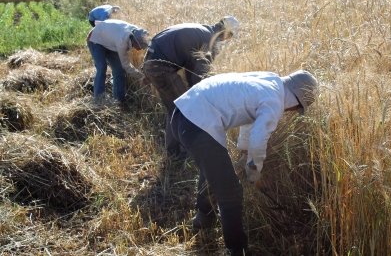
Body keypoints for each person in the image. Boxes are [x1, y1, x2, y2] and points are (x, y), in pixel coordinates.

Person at [170, 69, 318, 256]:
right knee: (231, 192)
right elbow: (259, 139)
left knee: (214, 171)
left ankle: (203, 218)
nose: (292, 112)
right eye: (297, 109)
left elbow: (250, 120)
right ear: (297, 100)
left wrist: (245, 151)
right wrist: (254, 172)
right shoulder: (275, 101)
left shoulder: (269, 81)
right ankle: (237, 249)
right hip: (196, 123)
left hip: (183, 113)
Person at [142, 16, 240, 159]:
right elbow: (198, 76)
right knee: (183, 108)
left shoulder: (202, 29)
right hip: (161, 67)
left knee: (175, 108)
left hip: (152, 63)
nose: (227, 40)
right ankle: (180, 152)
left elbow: (190, 67)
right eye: (230, 36)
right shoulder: (210, 41)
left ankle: (174, 150)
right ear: (226, 32)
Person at [87, 19, 149, 105]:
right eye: (140, 46)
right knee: (102, 67)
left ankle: (119, 101)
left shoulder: (138, 32)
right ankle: (98, 100)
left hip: (110, 40)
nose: (140, 49)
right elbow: (126, 65)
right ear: (135, 41)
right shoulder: (122, 41)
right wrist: (142, 76)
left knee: (119, 71)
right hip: (95, 39)